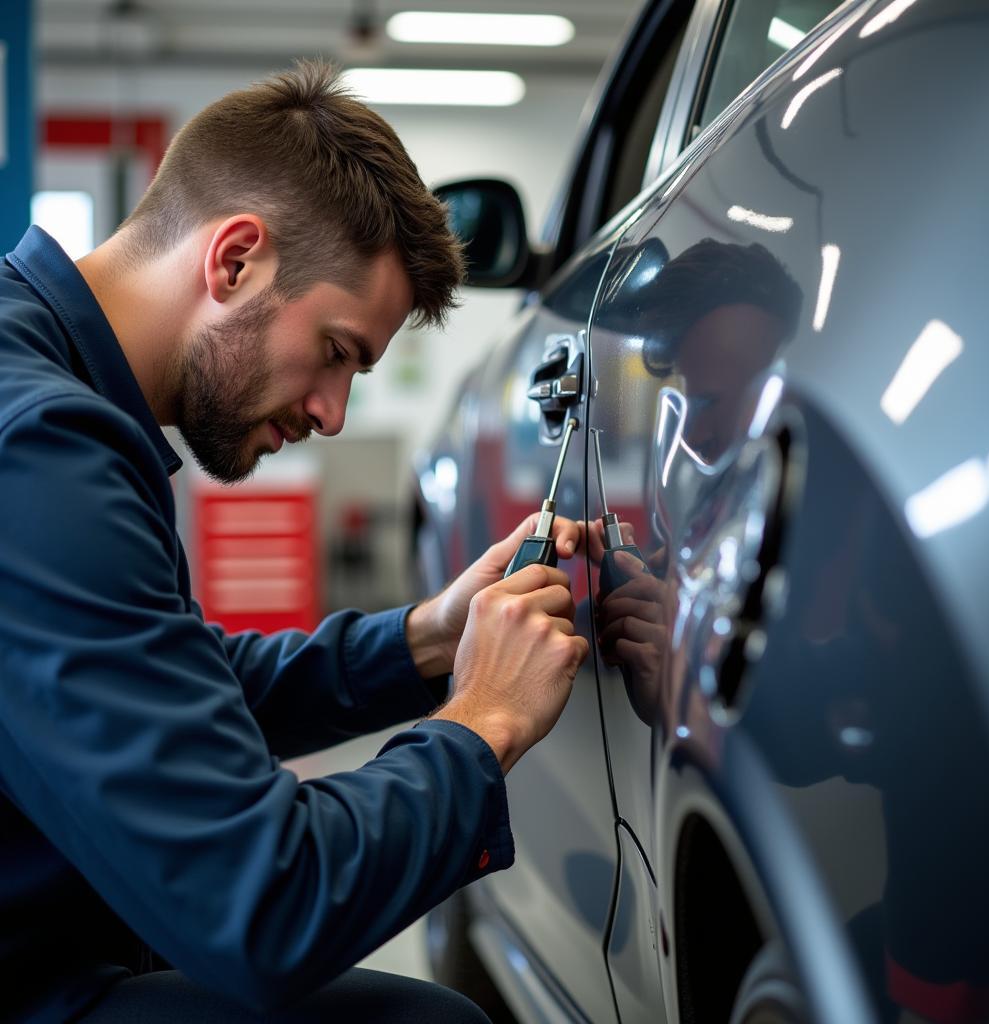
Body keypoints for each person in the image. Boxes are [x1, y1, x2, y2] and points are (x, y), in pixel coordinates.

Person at [0, 61, 589, 1022]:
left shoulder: (39, 379)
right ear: (234, 260)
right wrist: (482, 722)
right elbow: (263, 910)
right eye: (337, 353)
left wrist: (427, 640)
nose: (333, 411)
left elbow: (162, 688)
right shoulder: (40, 449)